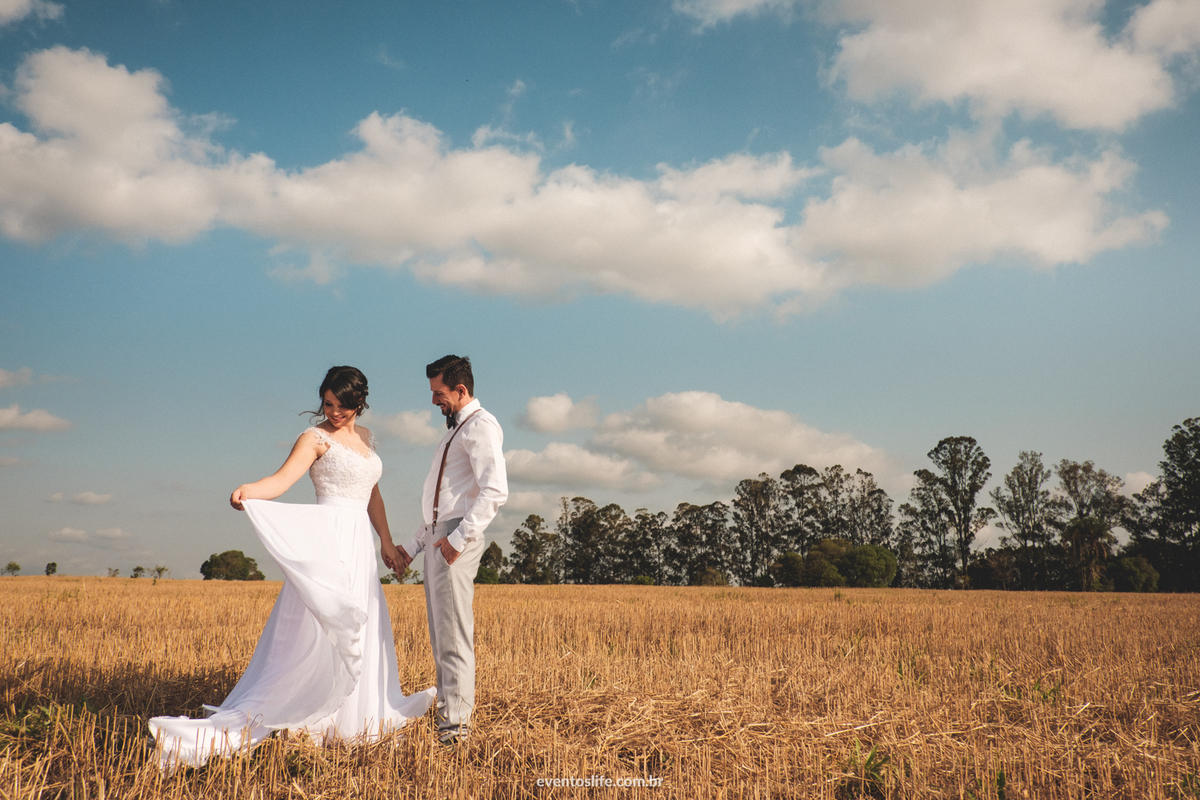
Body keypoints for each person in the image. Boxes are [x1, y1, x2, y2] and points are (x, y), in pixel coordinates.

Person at [148, 366, 435, 770]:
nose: (334, 412)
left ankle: (353, 714)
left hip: (360, 545)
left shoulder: (367, 439)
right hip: (328, 539)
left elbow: (373, 496)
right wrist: (250, 492)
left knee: (360, 624)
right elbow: (281, 481)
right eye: (328, 403)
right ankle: (306, 709)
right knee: (318, 625)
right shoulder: (313, 438)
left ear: (360, 404)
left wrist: (386, 542)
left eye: (343, 405)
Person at [395, 355, 507, 746]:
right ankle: (449, 719)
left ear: (461, 390)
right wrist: (411, 548)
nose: (433, 402)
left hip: (456, 540)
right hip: (441, 536)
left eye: (439, 394)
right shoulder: (453, 431)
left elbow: (495, 491)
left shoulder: (482, 426)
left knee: (454, 635)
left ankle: (455, 730)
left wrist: (457, 543)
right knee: (442, 635)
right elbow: (441, 507)